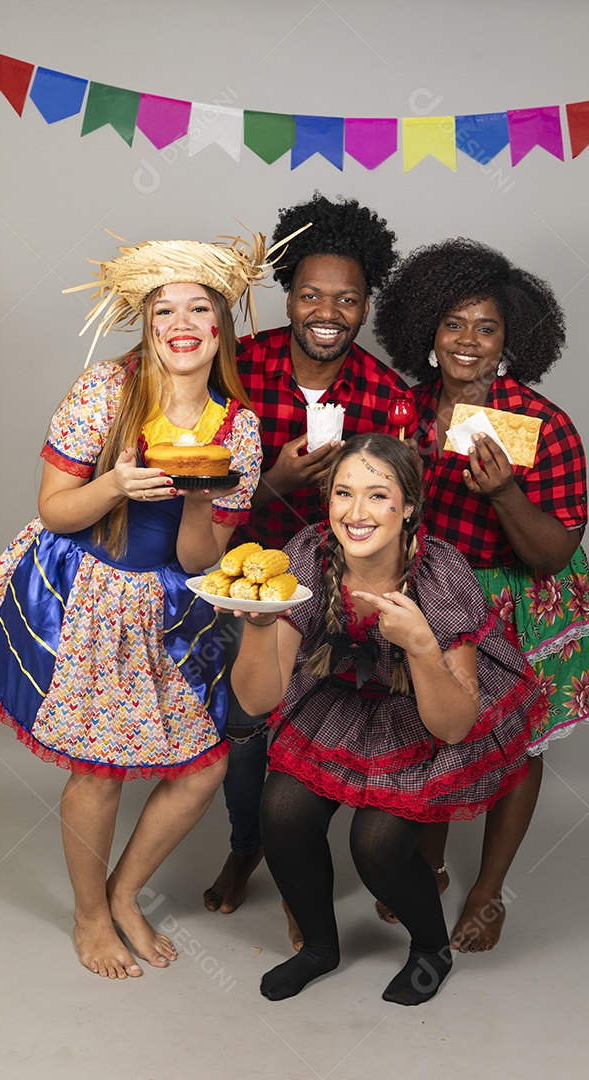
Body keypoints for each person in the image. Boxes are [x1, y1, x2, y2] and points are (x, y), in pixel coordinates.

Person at [0, 233, 276, 978]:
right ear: (146, 323)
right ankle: (89, 916)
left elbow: (201, 561)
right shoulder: (105, 389)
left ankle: (124, 893)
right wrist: (115, 485)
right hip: (85, 589)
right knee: (98, 772)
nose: (182, 321)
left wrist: (199, 501)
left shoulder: (240, 429)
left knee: (200, 767)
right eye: (163, 308)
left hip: (169, 606)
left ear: (221, 324)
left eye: (199, 306)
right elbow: (54, 509)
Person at [228, 433, 546, 1005]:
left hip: (425, 712)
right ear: (326, 500)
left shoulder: (439, 573)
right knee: (281, 809)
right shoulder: (305, 556)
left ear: (408, 509)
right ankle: (319, 949)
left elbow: (454, 723)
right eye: (343, 493)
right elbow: (256, 701)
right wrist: (257, 623)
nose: (356, 513)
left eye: (378, 496)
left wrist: (422, 644)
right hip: (338, 699)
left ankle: (430, 949)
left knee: (376, 844)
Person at [373, 237, 589, 952]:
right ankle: (432, 862)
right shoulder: (400, 414)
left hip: (519, 599)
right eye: (453, 324)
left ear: (511, 340)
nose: (468, 341)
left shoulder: (544, 426)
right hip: (437, 594)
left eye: (487, 327)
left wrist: (503, 492)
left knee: (518, 747)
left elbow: (552, 552)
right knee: (435, 731)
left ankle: (488, 889)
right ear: (427, 333)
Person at [204, 194, 416, 925]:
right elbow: (193, 485)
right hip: (249, 582)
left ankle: (304, 872)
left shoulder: (388, 398)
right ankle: (246, 844)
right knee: (246, 725)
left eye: (347, 299)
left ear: (365, 308)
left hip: (339, 590)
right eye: (311, 294)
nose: (328, 311)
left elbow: (400, 512)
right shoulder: (238, 368)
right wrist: (273, 484)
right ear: (287, 297)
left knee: (332, 721)